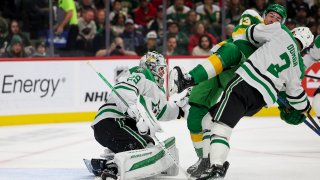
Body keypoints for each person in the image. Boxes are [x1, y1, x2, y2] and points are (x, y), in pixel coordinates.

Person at [168, 4, 287, 178]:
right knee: (195, 117)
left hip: (236, 74)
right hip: (217, 65)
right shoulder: (252, 17)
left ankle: (188, 82)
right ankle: (204, 160)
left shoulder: (280, 41)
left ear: (282, 24)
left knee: (216, 123)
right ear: (264, 16)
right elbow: (239, 37)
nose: (273, 21)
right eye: (271, 16)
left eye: (278, 19)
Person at [198, 23, 314, 180]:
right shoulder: (298, 66)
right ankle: (208, 163)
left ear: (293, 32)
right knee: (208, 120)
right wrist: (304, 108)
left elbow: (251, 33)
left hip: (245, 84)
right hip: (259, 101)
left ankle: (217, 168)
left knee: (221, 127)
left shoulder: (281, 32)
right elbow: (297, 98)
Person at [89, 51, 188, 180]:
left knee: (148, 142)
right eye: (160, 69)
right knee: (144, 147)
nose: (163, 73)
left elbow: (162, 111)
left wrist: (179, 109)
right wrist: (133, 109)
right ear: (151, 67)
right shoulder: (141, 73)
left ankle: (113, 156)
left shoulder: (155, 90)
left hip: (117, 124)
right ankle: (110, 165)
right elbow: (122, 89)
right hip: (112, 122)